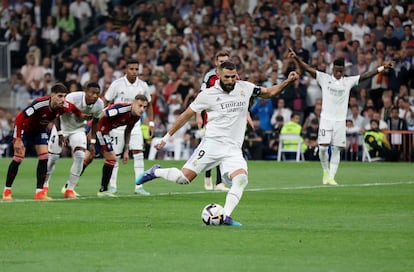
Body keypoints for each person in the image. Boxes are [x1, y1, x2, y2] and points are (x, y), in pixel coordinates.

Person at [136, 61, 299, 226]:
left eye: (233, 77)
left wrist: (287, 81)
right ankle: (156, 171)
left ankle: (225, 216)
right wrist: (165, 137)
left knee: (241, 179)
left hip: (233, 149)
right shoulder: (208, 95)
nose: (230, 80)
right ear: (218, 75)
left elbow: (269, 92)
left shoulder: (245, 87)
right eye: (226, 77)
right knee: (184, 178)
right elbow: (186, 115)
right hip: (212, 145)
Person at [289, 47, 392, 185]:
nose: (338, 72)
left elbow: (366, 75)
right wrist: (296, 58)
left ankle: (331, 177)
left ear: (344, 70)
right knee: (323, 148)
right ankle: (325, 171)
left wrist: (381, 68)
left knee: (337, 148)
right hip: (326, 119)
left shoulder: (348, 81)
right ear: (332, 69)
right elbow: (307, 68)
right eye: (336, 70)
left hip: (340, 121)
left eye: (341, 70)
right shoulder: (324, 78)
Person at [2, 83, 87, 201]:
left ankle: (39, 192)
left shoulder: (64, 106)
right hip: (25, 130)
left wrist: (82, 115)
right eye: (60, 96)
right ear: (52, 95)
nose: (63, 99)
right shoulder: (40, 104)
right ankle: (7, 191)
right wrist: (17, 139)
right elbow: (20, 118)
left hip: (39, 131)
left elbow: (74, 109)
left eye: (64, 96)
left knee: (44, 157)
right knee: (18, 158)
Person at [44, 82, 104, 199]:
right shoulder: (72, 98)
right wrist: (60, 133)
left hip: (78, 130)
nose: (95, 96)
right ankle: (44, 185)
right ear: (86, 91)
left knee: (80, 156)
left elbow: (95, 123)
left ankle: (69, 189)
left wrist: (92, 142)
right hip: (61, 128)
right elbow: (56, 114)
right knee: (53, 158)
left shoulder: (99, 104)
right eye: (93, 93)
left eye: (97, 93)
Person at [103, 59, 154, 195]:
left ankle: (139, 186)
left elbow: (150, 104)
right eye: (131, 69)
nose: (134, 72)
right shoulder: (117, 84)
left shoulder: (143, 85)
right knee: (115, 156)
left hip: (135, 124)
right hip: (117, 126)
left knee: (138, 153)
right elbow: (106, 101)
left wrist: (151, 123)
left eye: (136, 69)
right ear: (126, 70)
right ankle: (113, 186)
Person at [96, 94, 149, 197]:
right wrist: (92, 135)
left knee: (90, 157)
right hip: (98, 130)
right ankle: (104, 190)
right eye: (140, 105)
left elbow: (128, 131)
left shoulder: (136, 116)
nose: (142, 109)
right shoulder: (122, 109)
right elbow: (102, 114)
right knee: (108, 158)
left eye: (144, 107)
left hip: (105, 132)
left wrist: (126, 150)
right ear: (133, 103)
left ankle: (103, 190)